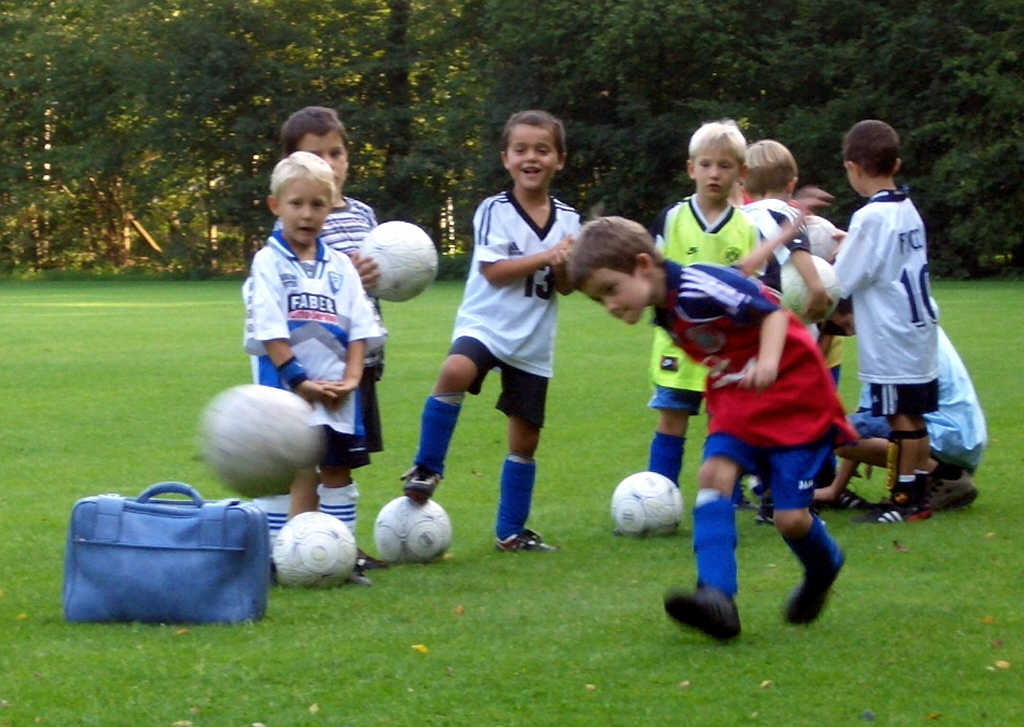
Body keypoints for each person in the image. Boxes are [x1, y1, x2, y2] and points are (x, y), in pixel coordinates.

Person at [569, 216, 855, 640]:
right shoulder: (665, 307)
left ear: (643, 264)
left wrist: (770, 362)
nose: (610, 305)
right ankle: (717, 599)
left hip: (793, 393)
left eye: (611, 289)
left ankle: (824, 567)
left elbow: (773, 316)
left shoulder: (697, 288)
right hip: (738, 398)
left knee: (791, 520)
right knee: (713, 475)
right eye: (599, 300)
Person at [399, 109, 580, 552]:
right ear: (506, 158)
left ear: (560, 159)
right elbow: (495, 271)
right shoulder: (494, 210)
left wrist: (563, 265)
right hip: (487, 325)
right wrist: (547, 255)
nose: (530, 158)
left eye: (542, 149)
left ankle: (511, 531)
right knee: (456, 370)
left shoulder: (570, 219)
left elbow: (567, 285)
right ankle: (427, 467)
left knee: (525, 439)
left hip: (532, 339)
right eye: (521, 150)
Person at [244, 152, 385, 581]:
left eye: (317, 205)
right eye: (297, 203)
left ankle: (342, 557)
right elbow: (270, 332)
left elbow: (360, 325)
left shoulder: (341, 266)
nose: (307, 214)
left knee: (337, 470)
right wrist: (299, 381)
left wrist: (354, 378)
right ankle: (273, 559)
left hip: (339, 392)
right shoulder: (268, 262)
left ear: (330, 206)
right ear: (276, 206)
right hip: (284, 392)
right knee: (285, 472)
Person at [275, 106, 390, 570]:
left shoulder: (364, 214)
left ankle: (338, 549)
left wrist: (380, 275)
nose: (328, 163)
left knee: (342, 460)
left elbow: (386, 278)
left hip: (360, 356)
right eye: (314, 155)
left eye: (335, 152)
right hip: (312, 361)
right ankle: (300, 550)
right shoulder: (291, 220)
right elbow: (290, 284)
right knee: (309, 458)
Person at [646, 120, 759, 503]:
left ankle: (729, 492)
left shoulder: (747, 228)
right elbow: (650, 277)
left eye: (725, 166)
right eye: (706, 164)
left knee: (724, 422)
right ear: (691, 168)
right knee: (672, 417)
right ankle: (658, 494)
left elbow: (755, 291)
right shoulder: (672, 219)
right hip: (677, 346)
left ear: (742, 174)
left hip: (726, 352)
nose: (714, 173)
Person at [833, 120, 939, 524]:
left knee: (899, 418)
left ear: (853, 167)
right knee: (915, 415)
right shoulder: (907, 209)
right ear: (896, 164)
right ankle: (919, 493)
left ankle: (903, 498)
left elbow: (846, 276)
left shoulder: (870, 217)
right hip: (918, 330)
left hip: (891, 336)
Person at [815, 326, 985, 511]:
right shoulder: (915, 325)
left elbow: (860, 422)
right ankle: (930, 479)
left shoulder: (883, 335)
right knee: (855, 431)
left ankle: (946, 478)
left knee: (838, 433)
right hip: (963, 436)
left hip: (941, 433)